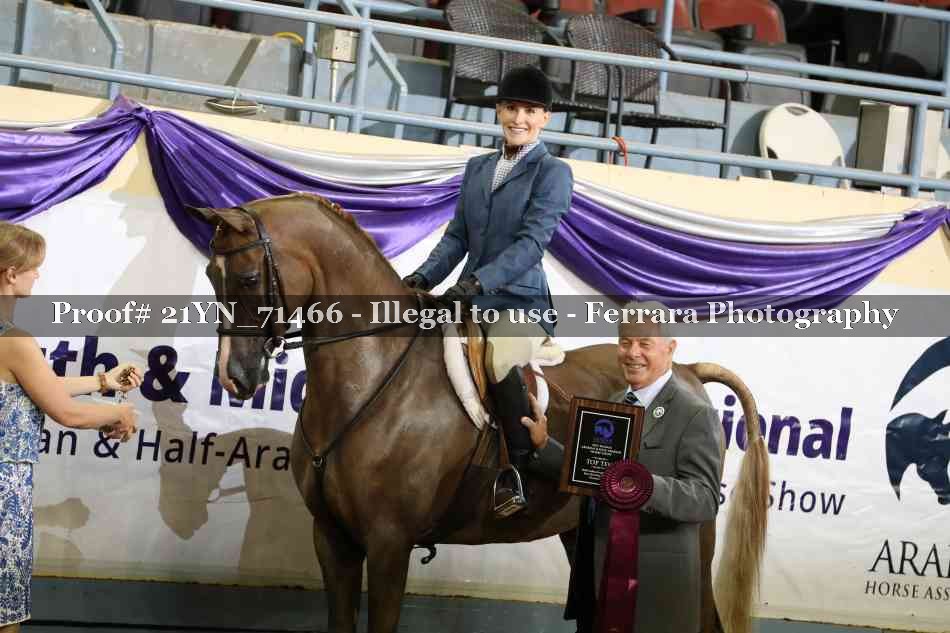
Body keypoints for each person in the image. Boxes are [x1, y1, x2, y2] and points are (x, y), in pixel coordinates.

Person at [402, 65, 573, 516]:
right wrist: (423, 278)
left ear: (545, 118)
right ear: (498, 111)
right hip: (471, 297)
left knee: (498, 357)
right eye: (512, 108)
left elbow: (531, 244)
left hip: (520, 302)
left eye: (530, 111)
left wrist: (478, 281)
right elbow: (458, 236)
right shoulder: (478, 168)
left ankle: (518, 467)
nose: (520, 118)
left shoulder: (552, 173)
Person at [521, 317, 722, 633]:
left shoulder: (695, 413)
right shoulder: (612, 404)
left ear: (670, 348)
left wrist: (641, 484)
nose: (632, 353)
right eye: (625, 343)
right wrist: (545, 445)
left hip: (655, 586)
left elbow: (705, 499)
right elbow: (591, 472)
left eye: (644, 344)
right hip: (601, 575)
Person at [0, 222, 142, 632]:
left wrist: (103, 381)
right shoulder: (15, 340)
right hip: (5, 491)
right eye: (33, 267)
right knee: (5, 616)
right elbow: (68, 414)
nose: (37, 275)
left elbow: (29, 386)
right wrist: (119, 413)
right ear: (11, 273)